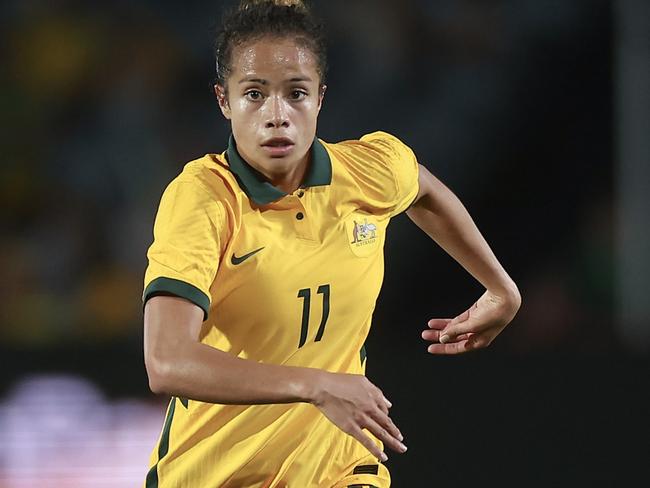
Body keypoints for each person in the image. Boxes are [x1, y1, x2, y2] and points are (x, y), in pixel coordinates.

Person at [141, 0, 521, 486]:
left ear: (320, 97)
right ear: (223, 100)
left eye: (296, 93)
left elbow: (423, 188)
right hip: (215, 475)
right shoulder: (203, 198)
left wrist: (500, 289)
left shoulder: (363, 171)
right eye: (254, 94)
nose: (276, 115)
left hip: (338, 470)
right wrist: (315, 385)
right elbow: (167, 360)